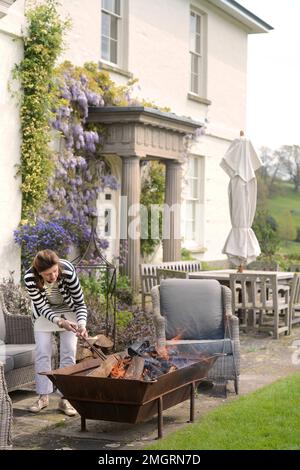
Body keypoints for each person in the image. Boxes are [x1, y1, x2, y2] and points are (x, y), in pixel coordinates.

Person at [24, 249, 88, 416]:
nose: (53, 276)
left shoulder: (67, 271)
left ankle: (65, 399)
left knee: (68, 351)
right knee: (42, 351)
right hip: (44, 314)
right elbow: (42, 307)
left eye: (54, 271)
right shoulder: (30, 278)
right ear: (39, 273)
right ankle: (43, 396)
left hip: (69, 310)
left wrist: (81, 324)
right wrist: (59, 321)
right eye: (47, 274)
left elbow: (80, 303)